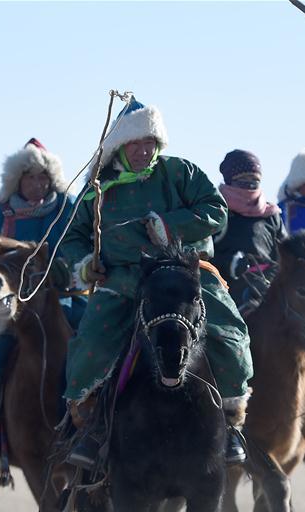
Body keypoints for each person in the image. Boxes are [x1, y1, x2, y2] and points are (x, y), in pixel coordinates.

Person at [59, 100, 252, 468]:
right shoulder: (99, 190)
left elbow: (216, 210)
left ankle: (230, 423)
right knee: (93, 340)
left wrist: (170, 227)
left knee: (228, 332)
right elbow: (73, 237)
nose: (144, 150)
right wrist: (86, 266)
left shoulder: (180, 172)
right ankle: (89, 427)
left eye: (150, 142)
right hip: (124, 278)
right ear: (119, 146)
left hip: (181, 271)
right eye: (136, 143)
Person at [0, 138, 81, 451]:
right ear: (16, 180)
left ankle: (93, 420)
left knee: (90, 342)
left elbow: (81, 248)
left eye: (42, 178)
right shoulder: (0, 217)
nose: (37, 184)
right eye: (30, 177)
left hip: (60, 302)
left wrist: (66, 269)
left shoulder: (68, 210)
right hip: (9, 307)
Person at [212, 149, 287, 314]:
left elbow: (286, 251)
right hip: (226, 289)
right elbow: (202, 251)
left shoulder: (271, 215)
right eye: (243, 181)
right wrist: (229, 262)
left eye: (255, 181)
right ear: (230, 181)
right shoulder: (217, 211)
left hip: (269, 285)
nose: (250, 186)